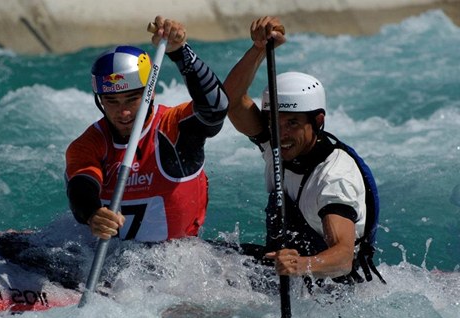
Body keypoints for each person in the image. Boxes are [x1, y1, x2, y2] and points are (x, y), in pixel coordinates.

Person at [224, 16, 384, 286]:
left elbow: (343, 257)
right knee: (204, 257)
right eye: (275, 122)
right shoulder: (275, 143)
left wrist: (300, 265)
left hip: (332, 293)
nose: (281, 134)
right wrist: (259, 48)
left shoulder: (334, 178)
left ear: (318, 122)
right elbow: (231, 101)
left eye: (293, 124)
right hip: (286, 274)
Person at [65, 16, 229, 242]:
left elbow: (216, 109)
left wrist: (180, 52)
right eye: (112, 101)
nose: (123, 113)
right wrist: (92, 214)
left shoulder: (172, 128)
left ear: (150, 93)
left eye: (132, 99)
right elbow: (82, 184)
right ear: (100, 100)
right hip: (112, 259)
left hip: (178, 260)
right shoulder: (89, 143)